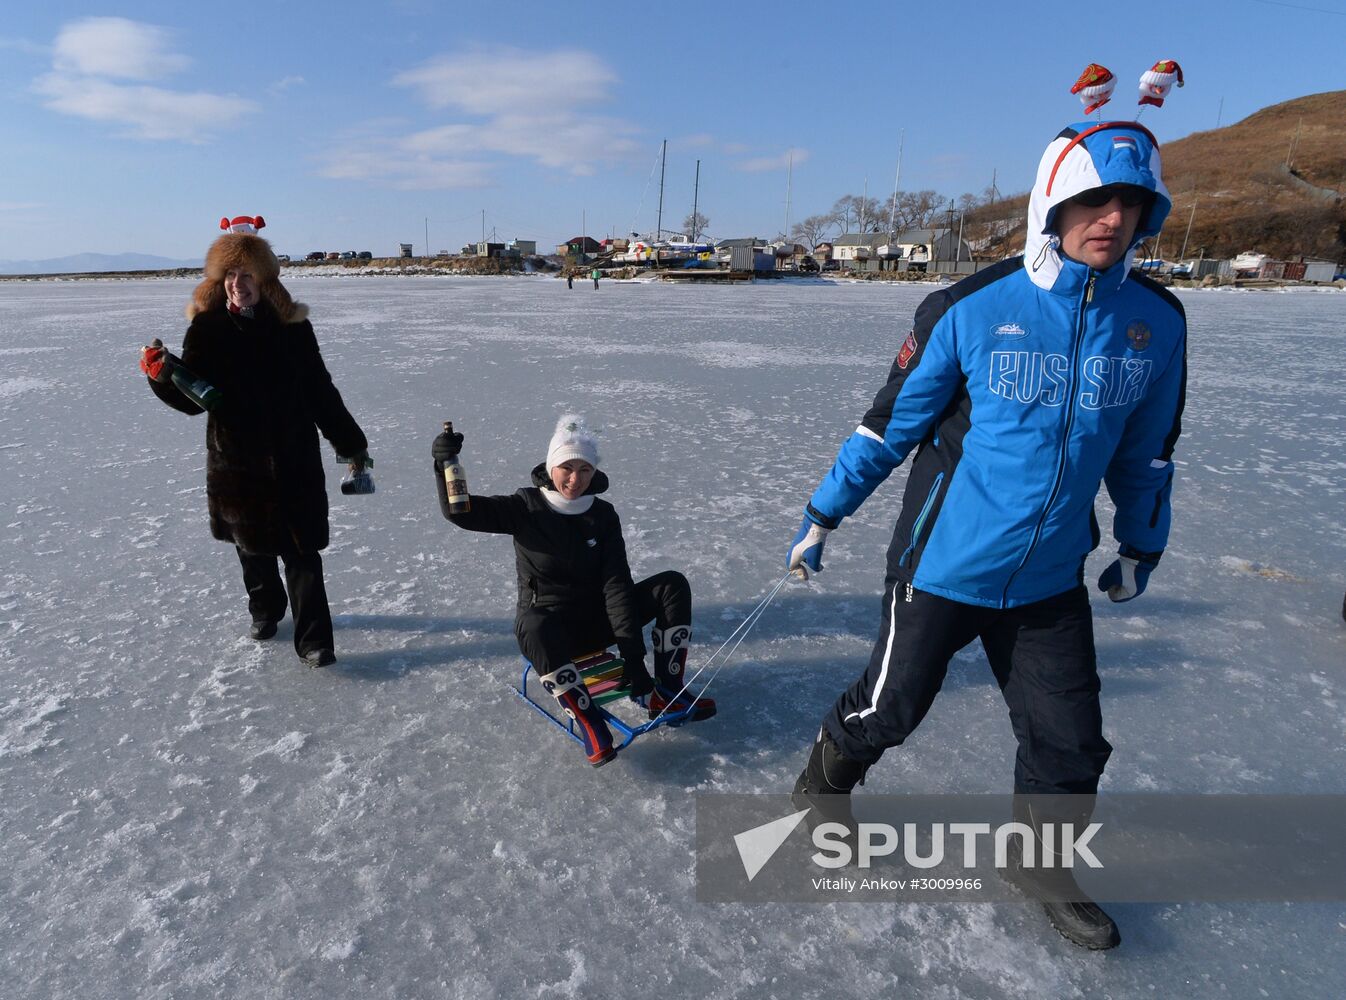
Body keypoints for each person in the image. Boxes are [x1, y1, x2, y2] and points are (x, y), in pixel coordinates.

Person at [786, 119, 1187, 950]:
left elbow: (1145, 453)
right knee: (887, 710)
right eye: (1093, 199)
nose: (1111, 217)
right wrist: (823, 516)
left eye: (1131, 202)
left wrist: (1141, 545)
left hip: (1048, 578)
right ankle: (822, 790)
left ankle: (1041, 862)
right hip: (943, 565)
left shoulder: (1157, 322)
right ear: (1056, 201)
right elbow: (886, 430)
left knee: (1070, 740)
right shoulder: (970, 308)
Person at [140, 217, 369, 667]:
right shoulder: (208, 330)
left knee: (302, 552)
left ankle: (315, 641)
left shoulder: (292, 328)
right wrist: (162, 377)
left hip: (293, 455)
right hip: (237, 460)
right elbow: (193, 400)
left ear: (264, 280)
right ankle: (265, 610)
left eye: (246, 275)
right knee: (252, 547)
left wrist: (349, 442)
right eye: (229, 274)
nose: (237, 284)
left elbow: (319, 389)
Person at [432, 415, 714, 767]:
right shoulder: (524, 507)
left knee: (671, 585)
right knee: (534, 623)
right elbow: (463, 513)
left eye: (584, 469)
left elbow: (617, 587)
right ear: (551, 466)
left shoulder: (603, 515)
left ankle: (667, 690)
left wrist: (632, 657)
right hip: (552, 635)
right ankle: (589, 719)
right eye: (567, 467)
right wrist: (442, 464)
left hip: (597, 624)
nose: (575, 479)